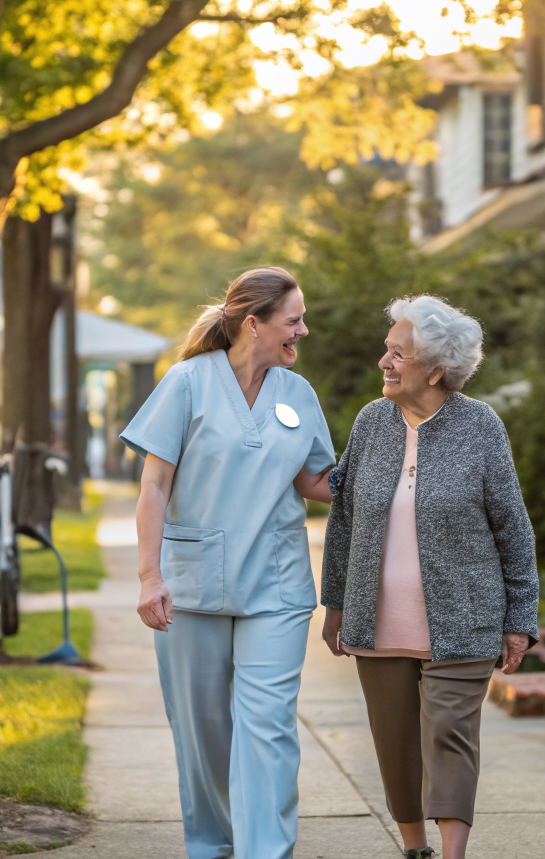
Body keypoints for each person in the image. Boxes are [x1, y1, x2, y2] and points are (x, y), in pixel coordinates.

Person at [120, 267, 334, 859]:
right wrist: (148, 576)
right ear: (253, 323)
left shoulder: (298, 394)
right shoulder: (186, 383)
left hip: (277, 584)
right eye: (292, 321)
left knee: (267, 729)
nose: (303, 331)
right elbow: (155, 486)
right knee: (204, 734)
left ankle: (266, 852)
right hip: (192, 586)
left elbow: (315, 479)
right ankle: (213, 846)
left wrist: (391, 475)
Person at [319, 295, 538, 859]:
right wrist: (336, 604)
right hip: (378, 618)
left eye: (397, 353)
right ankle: (414, 849)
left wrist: (520, 619)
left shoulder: (480, 426)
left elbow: (513, 529)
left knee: (449, 736)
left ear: (435, 370)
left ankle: (452, 855)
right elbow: (342, 516)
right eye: (387, 350)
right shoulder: (372, 422)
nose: (383, 363)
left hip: (464, 620)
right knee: (396, 746)